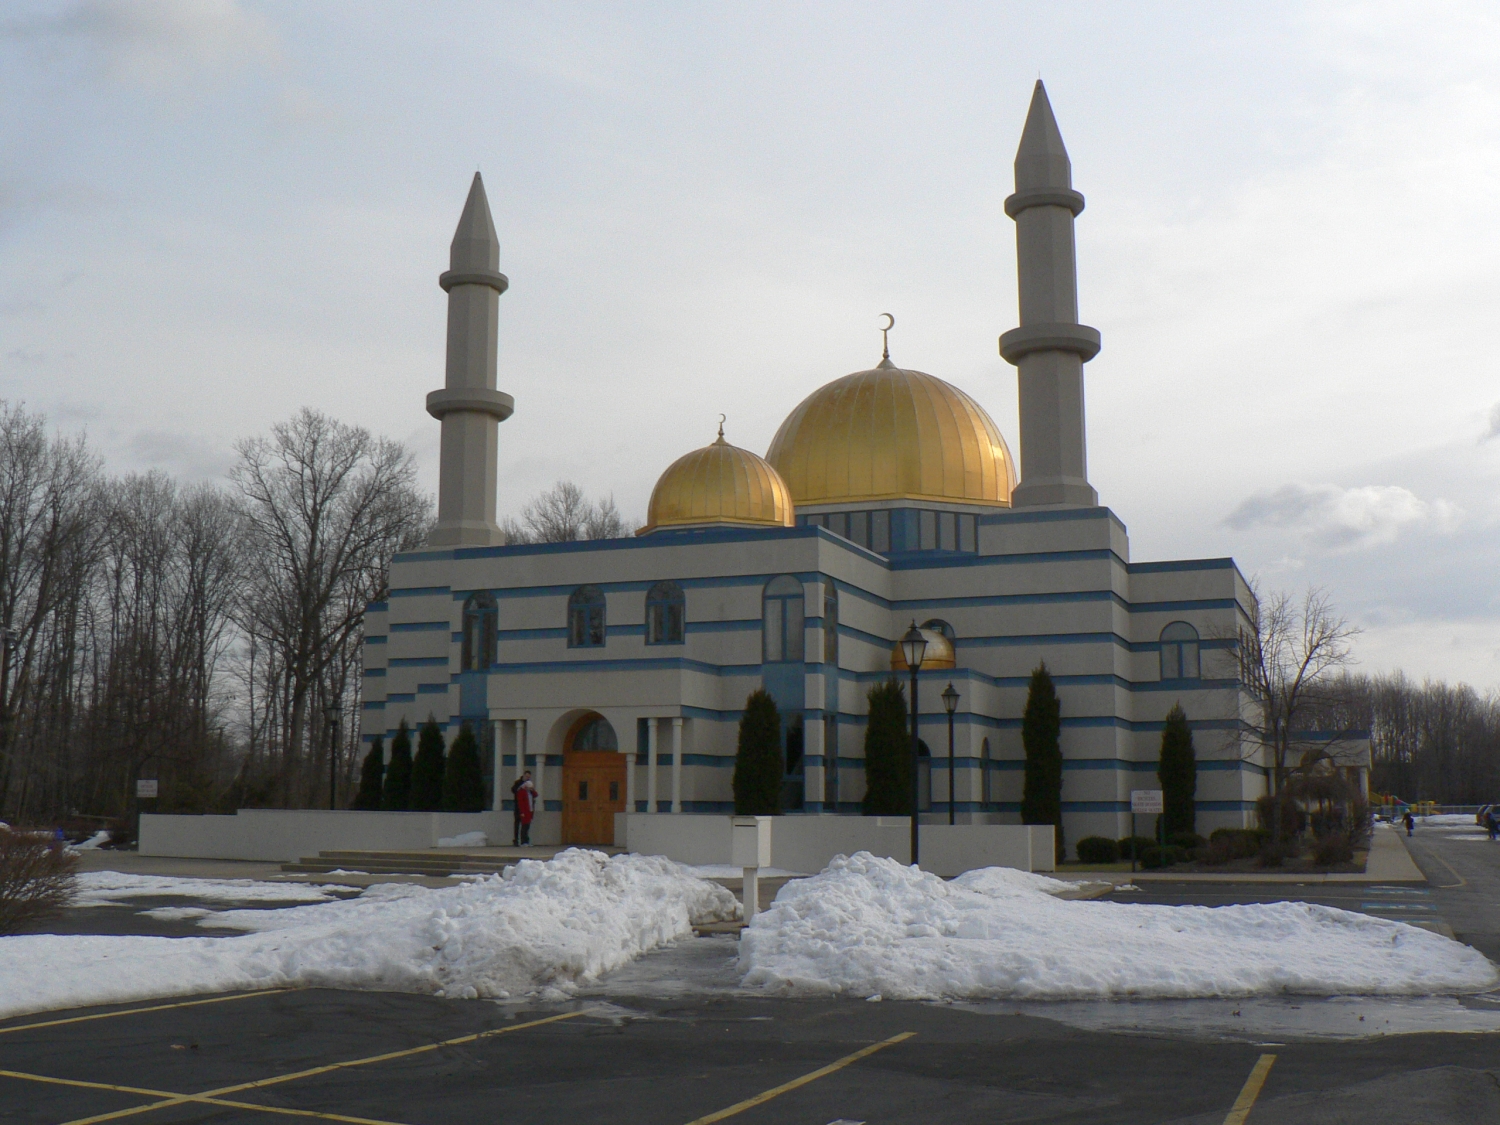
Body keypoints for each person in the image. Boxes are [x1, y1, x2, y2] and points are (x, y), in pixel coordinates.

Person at [510, 770, 536, 846]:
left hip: (527, 808)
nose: (527, 778)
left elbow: (534, 794)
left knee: (525, 825)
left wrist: (531, 789)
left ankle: (525, 840)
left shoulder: (529, 784)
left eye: (529, 777)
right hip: (518, 807)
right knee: (517, 823)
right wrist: (521, 786)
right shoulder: (518, 783)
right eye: (526, 776)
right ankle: (516, 840)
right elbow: (514, 790)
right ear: (524, 775)